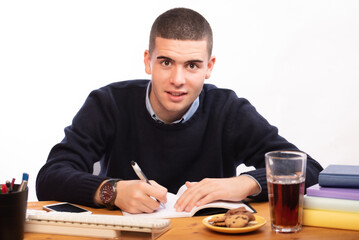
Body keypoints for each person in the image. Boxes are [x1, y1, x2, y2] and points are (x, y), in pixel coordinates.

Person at [36, 7, 323, 214]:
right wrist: (112, 191)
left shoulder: (229, 110)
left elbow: (309, 169)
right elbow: (49, 177)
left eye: (192, 65)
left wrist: (244, 183)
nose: (177, 79)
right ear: (148, 61)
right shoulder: (109, 103)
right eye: (166, 62)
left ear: (209, 67)